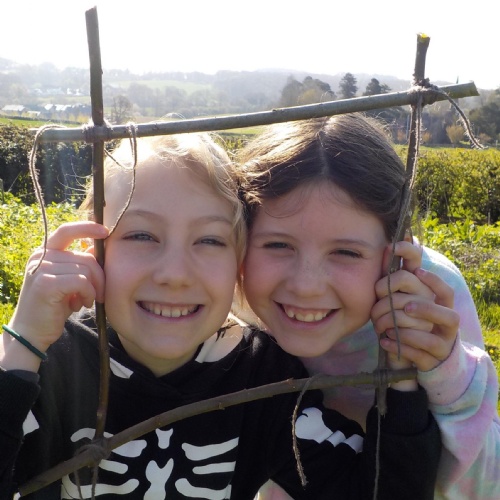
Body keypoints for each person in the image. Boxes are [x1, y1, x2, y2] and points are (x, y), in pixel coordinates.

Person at [0, 131, 440, 499]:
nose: (174, 274)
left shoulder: (264, 380)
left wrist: (400, 376)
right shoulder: (49, 363)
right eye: (141, 235)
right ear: (89, 249)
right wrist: (22, 344)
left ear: (240, 261)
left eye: (209, 240)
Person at [237, 113, 500, 500]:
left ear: (395, 254)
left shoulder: (430, 303)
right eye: (278, 245)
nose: (306, 286)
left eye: (346, 252)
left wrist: (447, 372)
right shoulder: (234, 305)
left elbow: (484, 486)